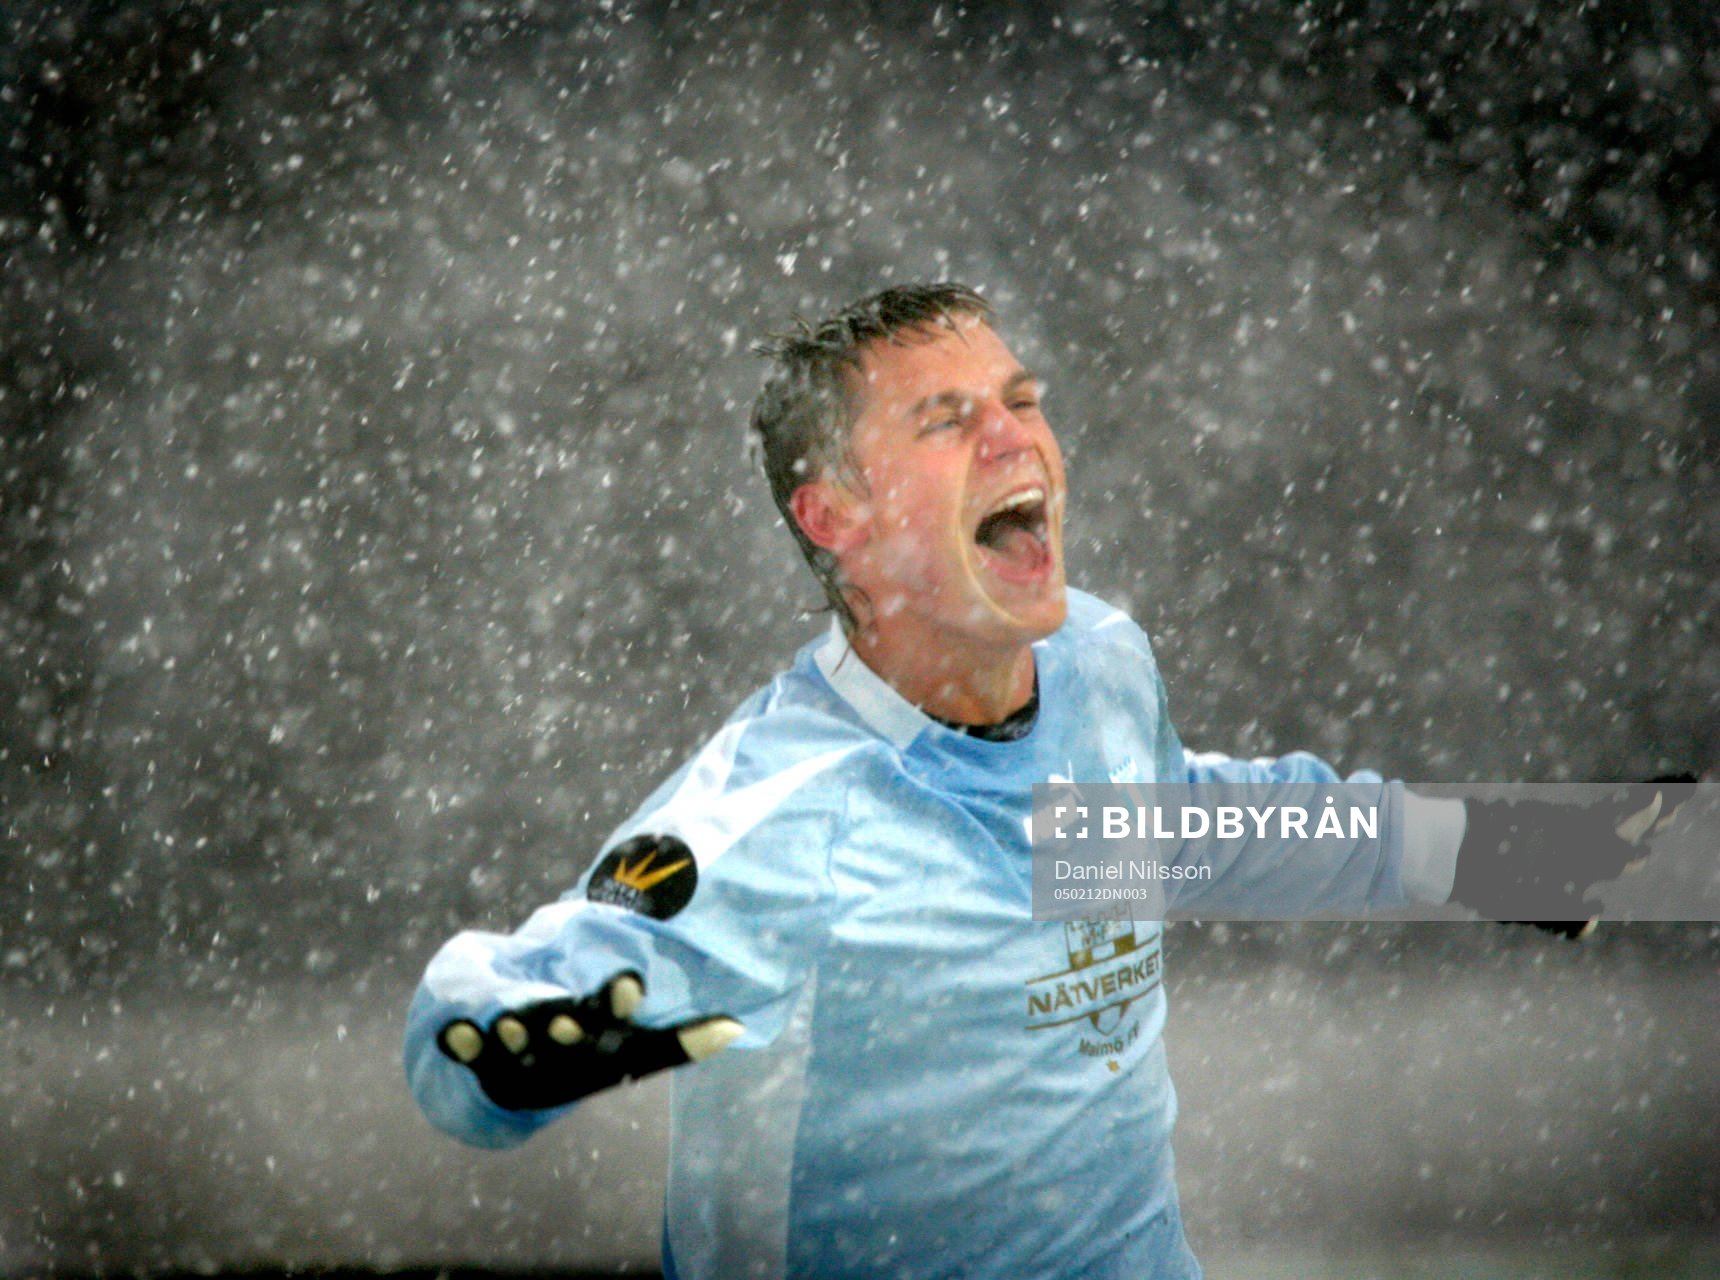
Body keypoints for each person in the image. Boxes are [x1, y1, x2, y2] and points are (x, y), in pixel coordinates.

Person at [403, 283, 1683, 1279]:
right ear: (834, 517)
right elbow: (495, 1020)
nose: (1018, 436)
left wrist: (1510, 848)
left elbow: (1184, 829)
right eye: (946, 418)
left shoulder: (1090, 667)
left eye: (1020, 399)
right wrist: (505, 1052)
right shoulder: (788, 815)